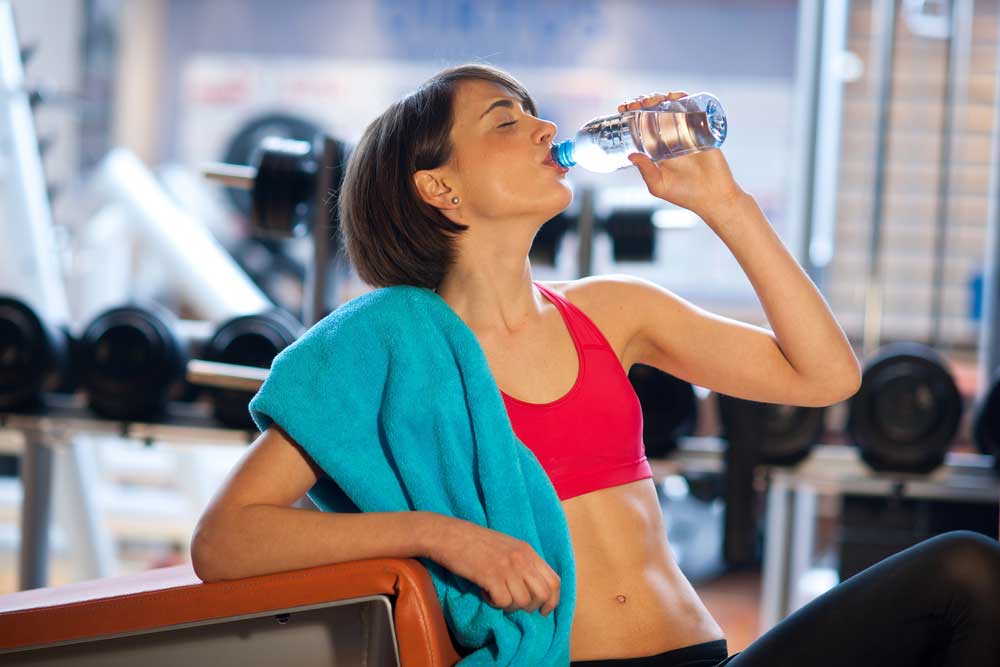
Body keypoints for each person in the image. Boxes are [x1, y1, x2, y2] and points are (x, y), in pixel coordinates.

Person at [191, 64, 1000, 666]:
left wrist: (723, 203)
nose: (546, 131)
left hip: (701, 656)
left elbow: (826, 376)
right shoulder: (390, 347)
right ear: (440, 187)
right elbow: (226, 540)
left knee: (967, 570)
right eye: (507, 123)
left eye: (538, 117)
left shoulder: (611, 312)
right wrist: (449, 539)